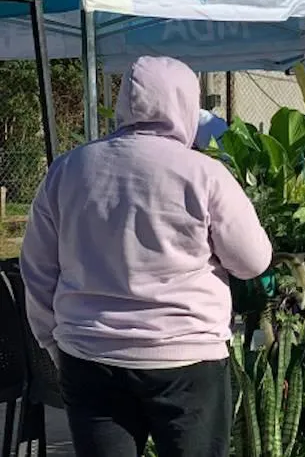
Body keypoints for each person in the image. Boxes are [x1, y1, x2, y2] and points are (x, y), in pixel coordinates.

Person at [20, 56, 273, 456]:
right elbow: (252, 261)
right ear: (186, 105)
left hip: (90, 353)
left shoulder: (68, 170)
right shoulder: (204, 174)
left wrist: (51, 341)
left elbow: (36, 269)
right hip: (187, 355)